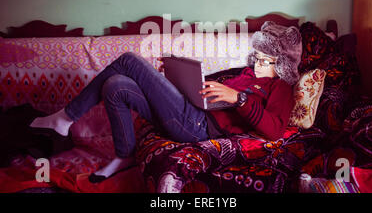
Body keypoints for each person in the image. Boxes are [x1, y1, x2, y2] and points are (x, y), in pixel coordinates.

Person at [29, 21, 302, 183]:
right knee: (115, 87)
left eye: (267, 60)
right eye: (258, 56)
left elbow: (275, 130)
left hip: (198, 126)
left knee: (128, 61)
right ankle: (124, 155)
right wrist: (179, 80)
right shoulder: (245, 73)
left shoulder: (280, 87)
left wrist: (239, 98)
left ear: (284, 66)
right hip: (190, 110)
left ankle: (65, 118)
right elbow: (209, 90)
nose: (258, 64)